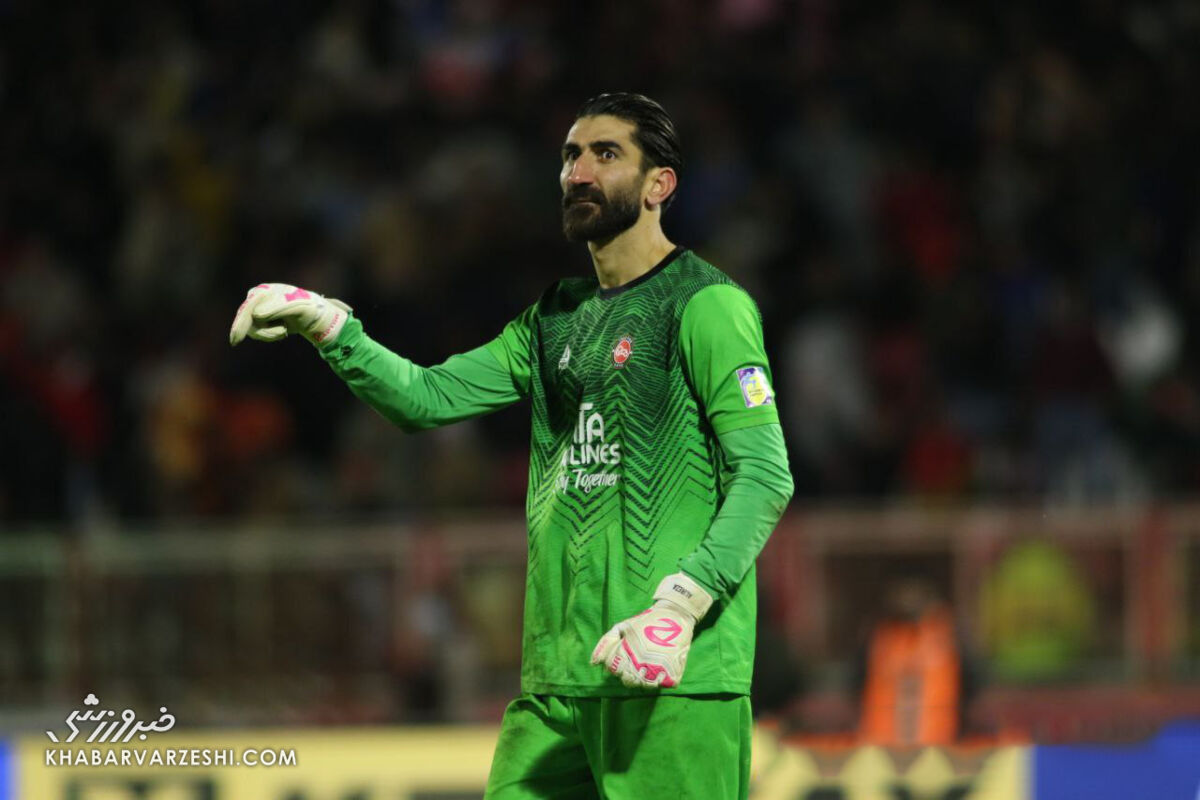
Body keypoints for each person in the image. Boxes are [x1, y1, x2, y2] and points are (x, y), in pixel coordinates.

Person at [230, 92, 794, 799]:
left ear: (660, 184)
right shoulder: (553, 318)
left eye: (606, 154)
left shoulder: (706, 304)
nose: (578, 172)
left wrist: (681, 604)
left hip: (671, 680)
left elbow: (765, 474)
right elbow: (426, 398)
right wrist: (330, 328)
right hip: (558, 688)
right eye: (570, 155)